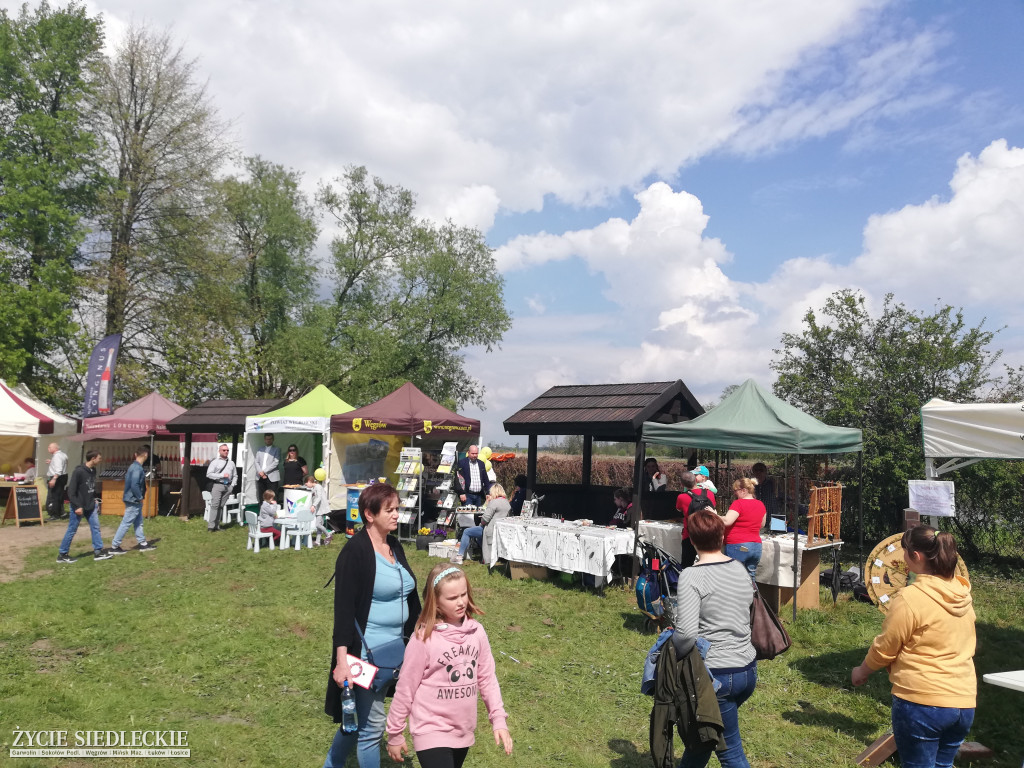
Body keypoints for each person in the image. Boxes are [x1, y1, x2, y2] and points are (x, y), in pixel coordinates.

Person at [851, 526, 976, 768]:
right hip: (964, 702)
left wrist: (862, 671)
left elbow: (886, 647)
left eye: (905, 551)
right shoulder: (963, 594)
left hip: (923, 703)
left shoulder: (910, 598)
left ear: (916, 556)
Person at [323, 483, 421, 768]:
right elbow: (343, 612)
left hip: (395, 652)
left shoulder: (394, 545)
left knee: (357, 723)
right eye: (389, 510)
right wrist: (342, 662)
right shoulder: (355, 552)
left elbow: (410, 597)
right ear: (369, 514)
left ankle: (331, 765)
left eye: (397, 509)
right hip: (363, 656)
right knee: (372, 728)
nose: (396, 515)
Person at [386, 563, 512, 768]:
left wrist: (498, 719)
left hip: (463, 730)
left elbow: (487, 679)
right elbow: (405, 688)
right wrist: (394, 733)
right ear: (435, 603)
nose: (461, 602)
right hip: (431, 729)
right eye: (452, 598)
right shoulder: (423, 639)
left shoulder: (476, 632)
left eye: (464, 594)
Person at [674, 509, 756, 768]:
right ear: (722, 536)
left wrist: (672, 649)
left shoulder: (691, 576)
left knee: (730, 753)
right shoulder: (740, 568)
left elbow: (686, 634)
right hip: (747, 670)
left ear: (693, 541)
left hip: (718, 676)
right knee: (703, 739)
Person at [57, 450, 111, 563]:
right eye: (99, 458)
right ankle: (62, 554)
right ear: (93, 458)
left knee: (95, 527)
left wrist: (95, 500)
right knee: (72, 529)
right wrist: (77, 506)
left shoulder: (93, 470)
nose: (100, 460)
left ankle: (98, 552)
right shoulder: (79, 471)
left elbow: (90, 488)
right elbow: (71, 491)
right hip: (78, 506)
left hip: (90, 505)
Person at [110, 446, 156, 555]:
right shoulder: (137, 468)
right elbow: (134, 484)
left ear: (135, 454)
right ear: (146, 455)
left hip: (132, 499)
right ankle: (114, 546)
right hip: (133, 499)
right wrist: (140, 497)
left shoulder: (133, 466)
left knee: (138, 522)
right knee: (126, 523)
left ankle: (143, 543)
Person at [452, 483, 510, 565]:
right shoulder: (507, 503)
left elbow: (485, 519)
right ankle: (484, 554)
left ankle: (459, 556)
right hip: (500, 530)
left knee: (467, 531)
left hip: (490, 530)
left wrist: (482, 520)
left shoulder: (494, 502)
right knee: (478, 537)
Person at [723, 478, 767, 580]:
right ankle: (752, 596)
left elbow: (727, 521)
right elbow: (762, 524)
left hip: (738, 545)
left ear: (744, 490)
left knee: (733, 578)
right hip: (756, 547)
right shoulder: (761, 504)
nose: (735, 493)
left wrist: (714, 515)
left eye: (736, 490)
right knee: (750, 578)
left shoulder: (738, 503)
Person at [675, 472, 718, 568]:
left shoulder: (681, 497)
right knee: (709, 563)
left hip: (690, 534)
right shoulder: (709, 493)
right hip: (709, 533)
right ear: (696, 480)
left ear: (682, 484)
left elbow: (679, 509)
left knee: (687, 564)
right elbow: (713, 507)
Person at [205, 443, 237, 531]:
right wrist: (222, 475)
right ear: (219, 451)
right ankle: (211, 527)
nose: (226, 452)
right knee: (215, 505)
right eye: (224, 450)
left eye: (227, 450)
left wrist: (232, 485)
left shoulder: (231, 463)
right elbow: (209, 474)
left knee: (221, 506)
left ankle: (217, 526)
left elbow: (235, 475)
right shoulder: (215, 462)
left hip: (228, 486)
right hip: (218, 485)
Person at [304, 473, 333, 545]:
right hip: (318, 509)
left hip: (321, 509)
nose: (306, 485)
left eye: (306, 483)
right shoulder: (314, 488)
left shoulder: (318, 487)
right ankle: (317, 541)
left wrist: (313, 505)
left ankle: (328, 534)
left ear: (310, 481)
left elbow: (319, 497)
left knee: (317, 525)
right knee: (319, 525)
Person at [45, 441, 69, 520]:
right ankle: (61, 512)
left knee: (53, 496)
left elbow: (59, 469)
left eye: (50, 447)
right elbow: (62, 464)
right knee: (59, 496)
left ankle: (54, 515)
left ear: (55, 448)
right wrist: (52, 462)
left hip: (57, 477)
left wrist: (54, 479)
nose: (48, 448)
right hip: (63, 476)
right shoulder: (62, 454)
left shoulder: (57, 456)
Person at [254, 433, 281, 502]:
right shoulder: (260, 449)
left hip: (272, 477)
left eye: (270, 439)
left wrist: (264, 471)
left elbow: (276, 462)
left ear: (273, 439)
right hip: (260, 476)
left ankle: (273, 512)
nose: (268, 440)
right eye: (267, 439)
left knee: (272, 497)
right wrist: (260, 472)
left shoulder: (277, 449)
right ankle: (262, 512)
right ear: (264, 440)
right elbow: (256, 461)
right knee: (261, 496)